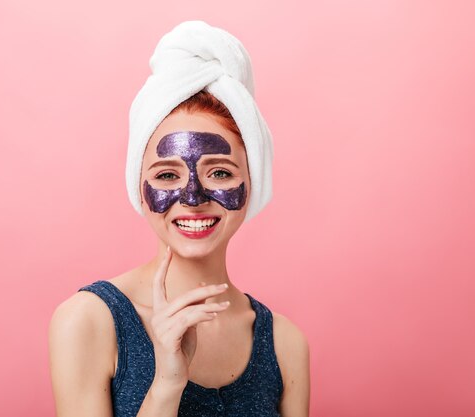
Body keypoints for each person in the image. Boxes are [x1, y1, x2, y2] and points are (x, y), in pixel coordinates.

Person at [49, 21, 310, 416]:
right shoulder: (88, 322)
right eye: (168, 175)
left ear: (252, 181)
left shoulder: (284, 344)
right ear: (140, 186)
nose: (192, 197)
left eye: (220, 172)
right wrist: (167, 385)